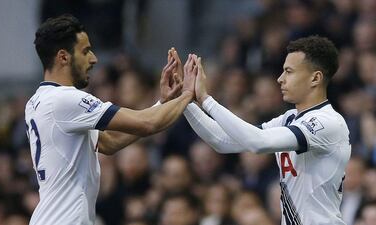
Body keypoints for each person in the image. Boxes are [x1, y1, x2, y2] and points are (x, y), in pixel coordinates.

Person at [25, 14, 196, 225]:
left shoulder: (37, 102)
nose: (94, 59)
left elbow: (110, 142)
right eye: (85, 51)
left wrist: (162, 104)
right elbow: (148, 123)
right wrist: (189, 92)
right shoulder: (65, 99)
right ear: (63, 57)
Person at [175, 36, 351, 224]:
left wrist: (206, 99)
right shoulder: (288, 119)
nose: (280, 79)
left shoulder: (328, 122)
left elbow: (258, 143)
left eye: (288, 72)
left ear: (315, 78)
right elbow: (222, 141)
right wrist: (185, 100)